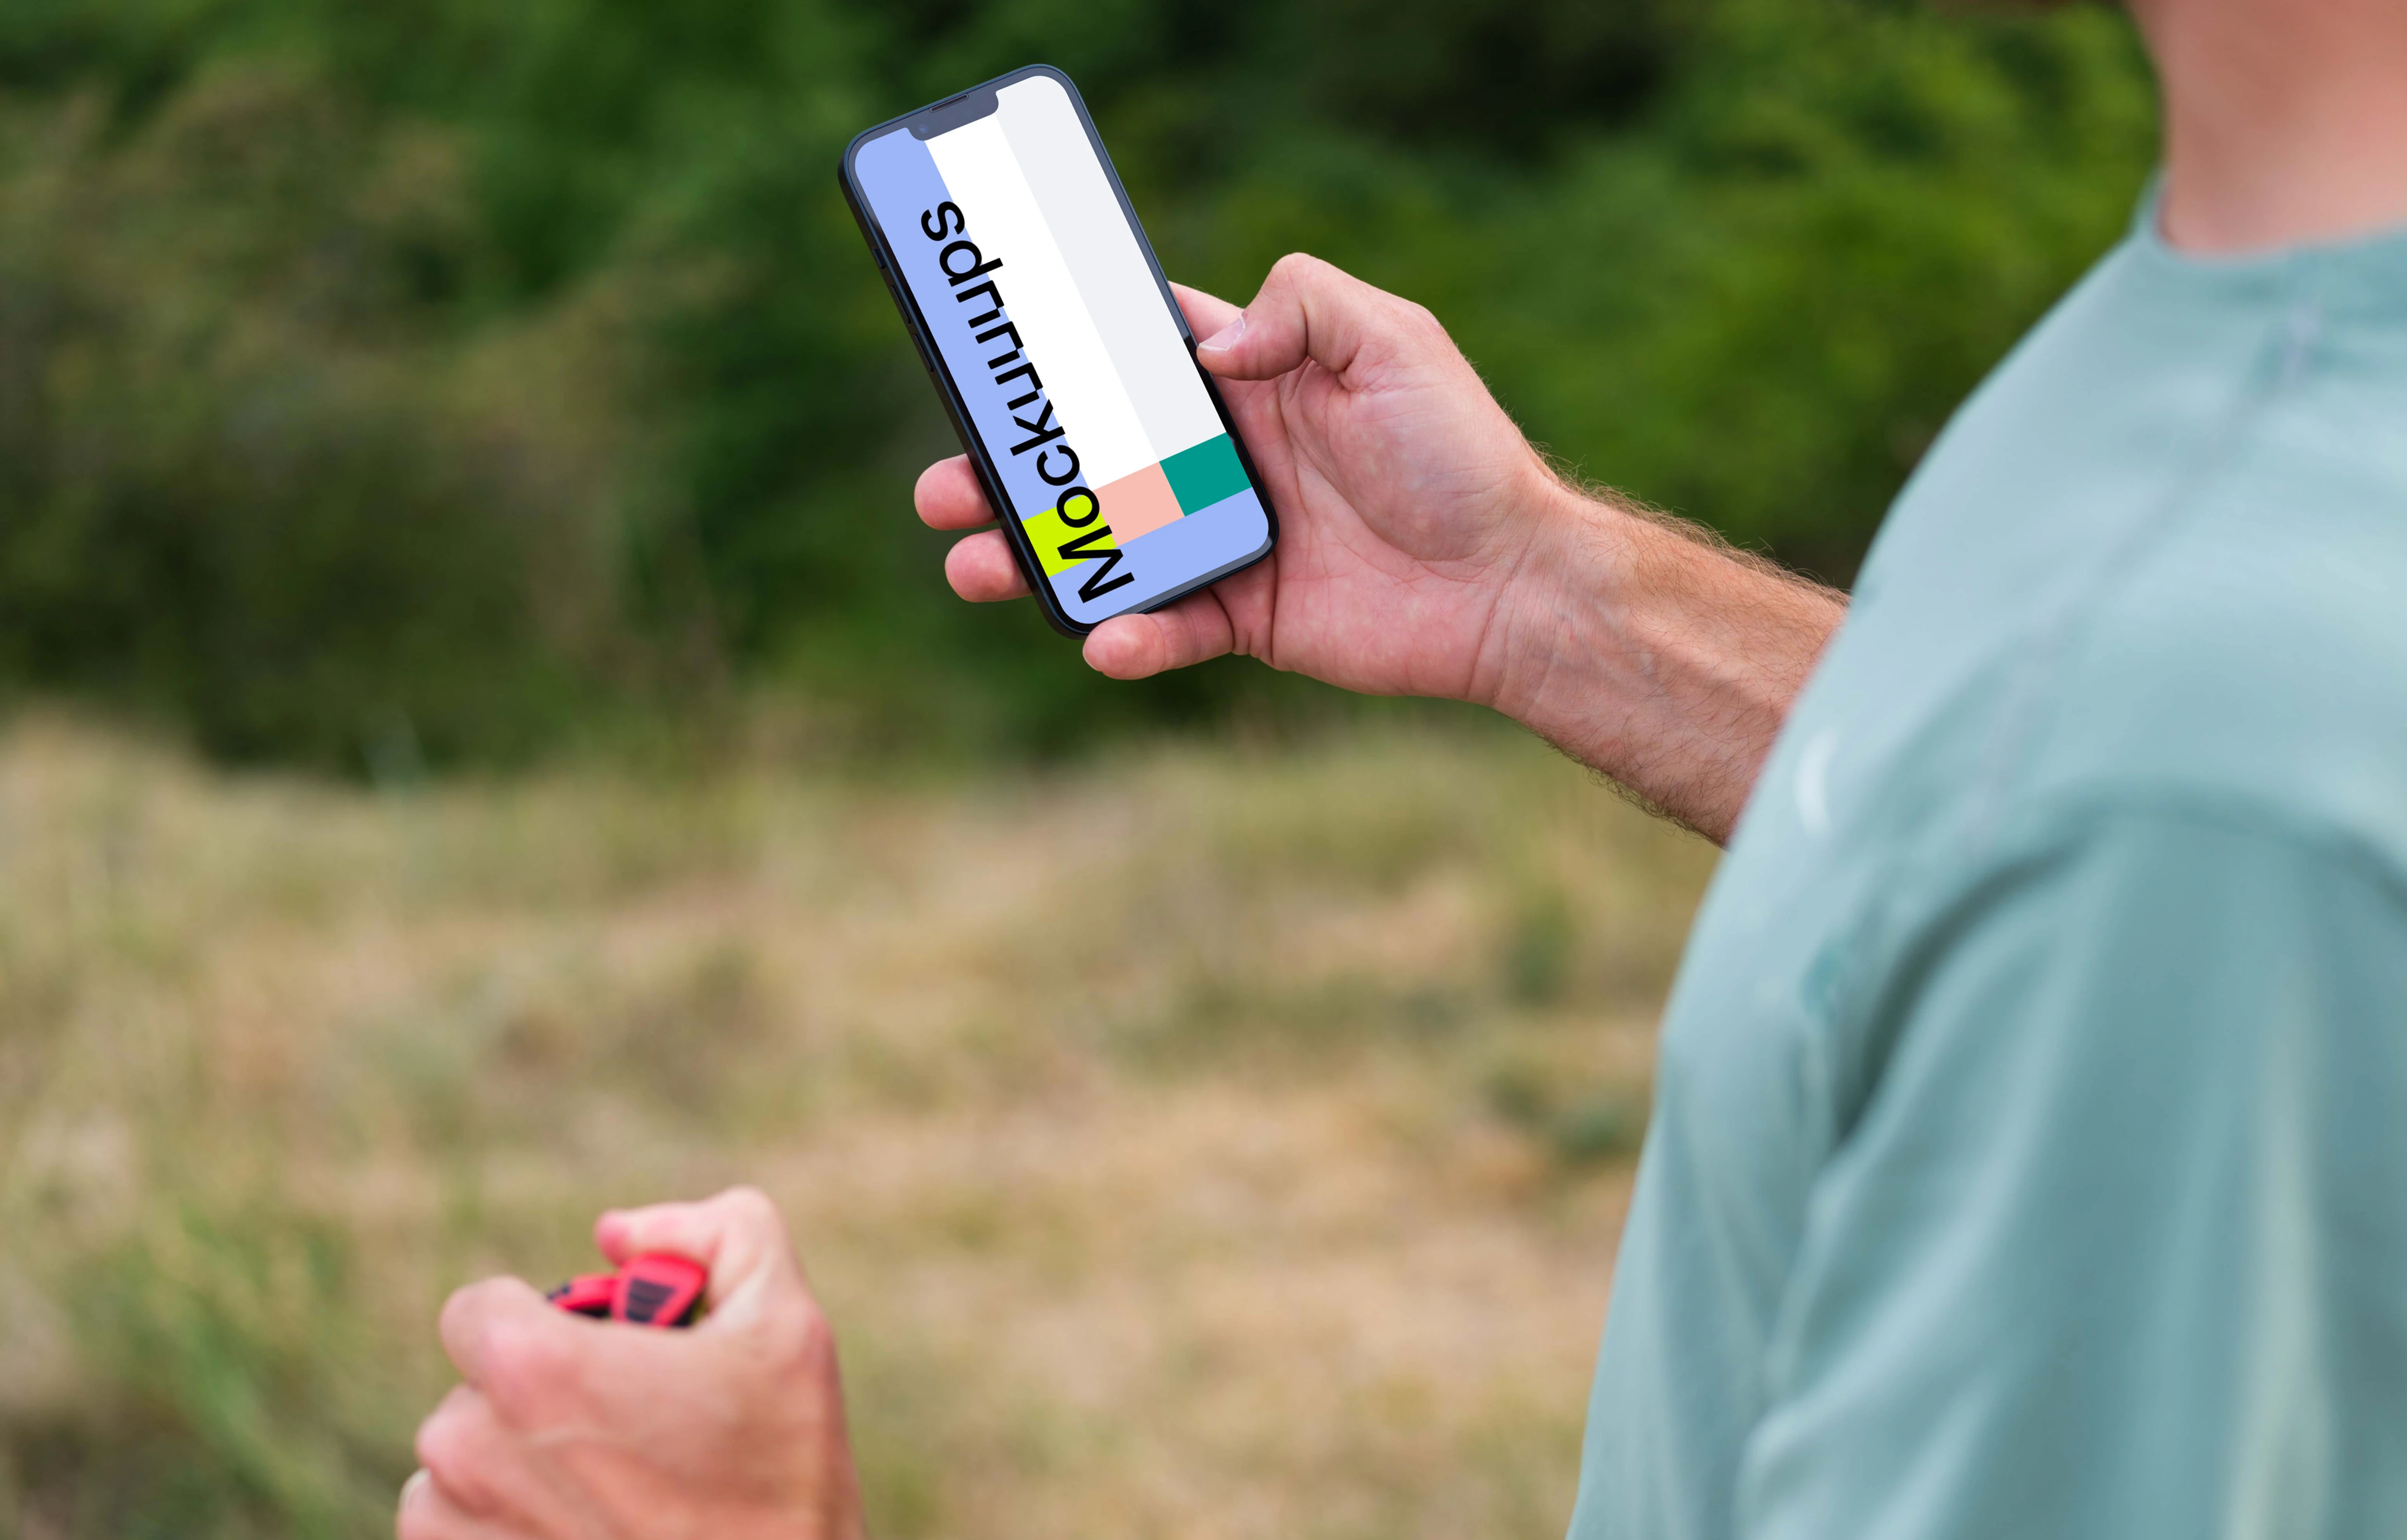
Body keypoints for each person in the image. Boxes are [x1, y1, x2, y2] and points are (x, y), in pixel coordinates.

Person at [398, 0, 2407, 1534]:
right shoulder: (2240, 326)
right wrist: (1550, 596)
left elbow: (2128, 784)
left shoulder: (2179, 774)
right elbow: (2032, 779)